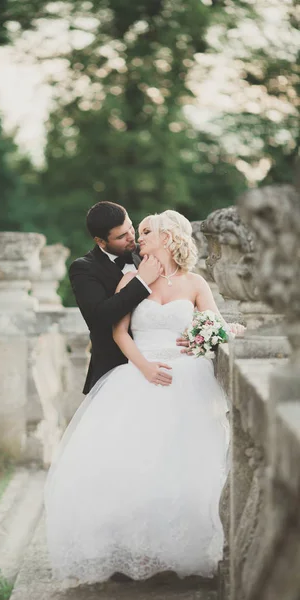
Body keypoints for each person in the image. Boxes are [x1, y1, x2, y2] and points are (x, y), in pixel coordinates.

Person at [45, 209, 231, 585]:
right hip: (137, 372)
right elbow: (116, 330)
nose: (137, 238)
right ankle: (132, 552)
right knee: (130, 463)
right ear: (102, 241)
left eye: (143, 231)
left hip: (187, 377)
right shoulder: (125, 276)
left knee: (185, 465)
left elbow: (215, 325)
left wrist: (208, 337)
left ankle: (181, 550)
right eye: (131, 233)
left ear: (168, 238)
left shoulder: (195, 282)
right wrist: (145, 366)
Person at [69, 201, 173, 394]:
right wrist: (141, 282)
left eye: (131, 228)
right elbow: (99, 317)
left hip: (161, 365)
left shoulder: (145, 253)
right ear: (100, 241)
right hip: (113, 372)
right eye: (121, 236)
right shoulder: (84, 268)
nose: (132, 238)